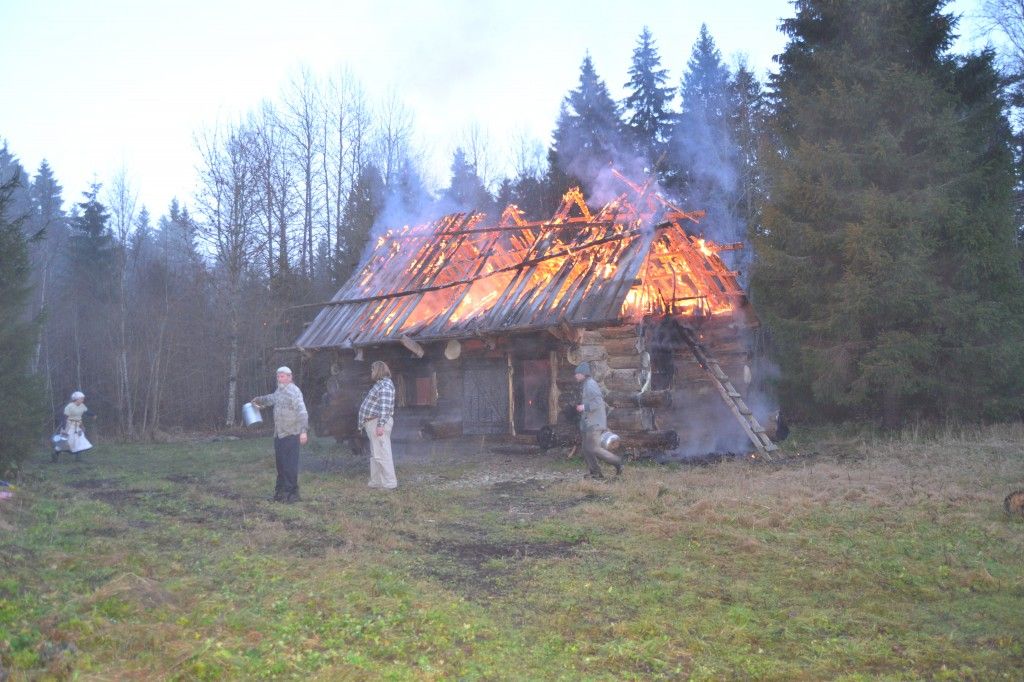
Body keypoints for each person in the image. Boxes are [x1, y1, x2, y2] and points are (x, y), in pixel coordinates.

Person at [252, 366, 309, 503]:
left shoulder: (294, 392)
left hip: (291, 434)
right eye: (278, 376)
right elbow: (271, 399)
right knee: (281, 466)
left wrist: (303, 431)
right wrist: (259, 400)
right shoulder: (279, 391)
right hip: (279, 434)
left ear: (290, 377)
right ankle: (280, 493)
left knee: (290, 466)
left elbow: (302, 412)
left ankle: (292, 494)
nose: (279, 378)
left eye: (282, 376)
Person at [574, 363, 622, 479]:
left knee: (594, 448)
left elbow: (598, 403)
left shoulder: (590, 384)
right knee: (586, 449)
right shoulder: (586, 384)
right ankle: (595, 473)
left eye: (577, 374)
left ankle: (617, 461)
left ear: (583, 374)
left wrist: (583, 407)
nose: (575, 376)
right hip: (588, 423)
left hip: (594, 423)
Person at [357, 360, 397, 490]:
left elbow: (384, 408)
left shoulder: (385, 385)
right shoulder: (380, 384)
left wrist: (380, 425)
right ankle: (376, 481)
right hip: (373, 422)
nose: (371, 372)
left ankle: (389, 483)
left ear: (378, 370)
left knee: (383, 453)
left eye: (372, 369)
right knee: (376, 454)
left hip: (377, 423)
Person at [59, 391, 93, 463]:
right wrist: (63, 428)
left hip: (78, 426)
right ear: (76, 399)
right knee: (67, 441)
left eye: (83, 398)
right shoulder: (69, 406)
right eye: (81, 398)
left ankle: (78, 458)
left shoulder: (82, 406)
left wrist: (93, 415)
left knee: (80, 440)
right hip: (69, 425)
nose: (82, 400)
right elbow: (64, 417)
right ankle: (55, 453)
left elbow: (87, 411)